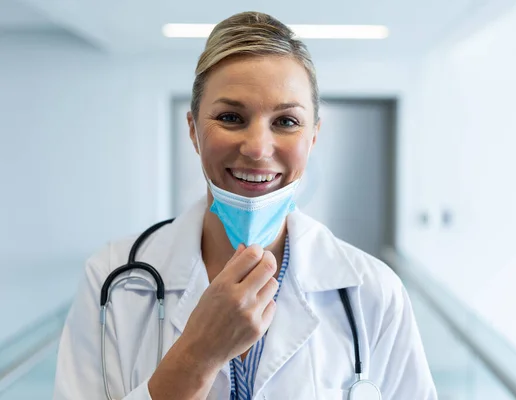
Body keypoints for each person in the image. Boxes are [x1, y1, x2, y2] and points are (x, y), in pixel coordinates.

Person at [53, 11, 437, 400]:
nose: (256, 148)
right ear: (193, 131)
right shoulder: (113, 279)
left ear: (314, 136)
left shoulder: (373, 292)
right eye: (231, 117)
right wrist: (196, 357)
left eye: (286, 121)